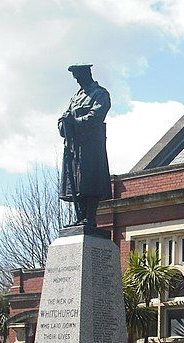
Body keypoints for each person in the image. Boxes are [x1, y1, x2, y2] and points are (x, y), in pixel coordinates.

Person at [58, 64, 112, 228]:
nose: (77, 80)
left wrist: (75, 122)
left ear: (87, 74)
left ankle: (90, 217)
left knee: (90, 181)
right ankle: (80, 217)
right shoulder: (75, 98)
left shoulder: (100, 93)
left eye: (78, 77)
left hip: (91, 146)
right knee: (76, 182)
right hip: (74, 146)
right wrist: (64, 124)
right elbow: (63, 120)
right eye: (75, 78)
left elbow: (96, 116)